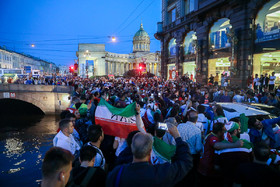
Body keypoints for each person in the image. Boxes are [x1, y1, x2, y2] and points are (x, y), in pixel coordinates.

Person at [106, 124, 193, 187]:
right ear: (150, 151)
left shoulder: (116, 173)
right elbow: (186, 162)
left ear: (131, 148)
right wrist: (177, 136)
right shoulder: (160, 174)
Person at [197, 122, 243, 187]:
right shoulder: (212, 137)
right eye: (224, 130)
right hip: (207, 168)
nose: (226, 132)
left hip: (208, 167)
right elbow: (217, 145)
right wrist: (235, 145)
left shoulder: (215, 135)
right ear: (219, 131)